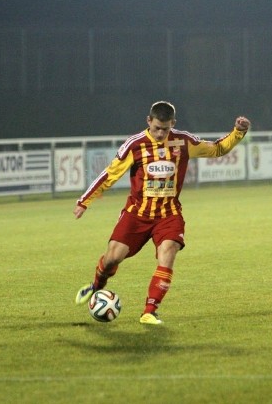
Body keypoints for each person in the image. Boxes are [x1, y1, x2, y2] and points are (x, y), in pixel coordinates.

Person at [74, 101, 250, 325]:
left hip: (168, 214)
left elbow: (216, 149)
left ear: (173, 124)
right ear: (149, 121)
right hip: (136, 214)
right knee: (112, 259)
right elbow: (110, 174)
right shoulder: (135, 145)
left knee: (167, 254)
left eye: (165, 129)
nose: (160, 133)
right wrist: (84, 201)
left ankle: (149, 311)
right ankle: (96, 286)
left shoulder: (182, 141)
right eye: (156, 128)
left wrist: (238, 132)